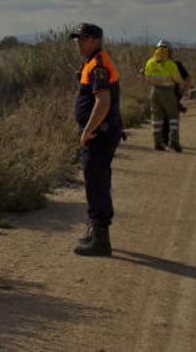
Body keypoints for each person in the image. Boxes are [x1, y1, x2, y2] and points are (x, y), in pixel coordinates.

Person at [70, 23, 122, 257]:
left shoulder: (98, 64)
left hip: (100, 133)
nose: (78, 43)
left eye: (83, 38)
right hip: (99, 132)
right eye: (77, 39)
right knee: (95, 181)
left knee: (97, 183)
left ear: (96, 40)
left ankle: (101, 241)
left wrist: (88, 129)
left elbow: (103, 102)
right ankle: (95, 232)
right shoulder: (92, 61)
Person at [144, 41, 184, 151]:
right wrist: (180, 91)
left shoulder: (150, 62)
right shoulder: (170, 64)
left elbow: (147, 77)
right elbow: (178, 80)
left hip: (154, 92)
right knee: (173, 118)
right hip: (168, 92)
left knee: (156, 119)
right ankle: (174, 142)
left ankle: (157, 142)